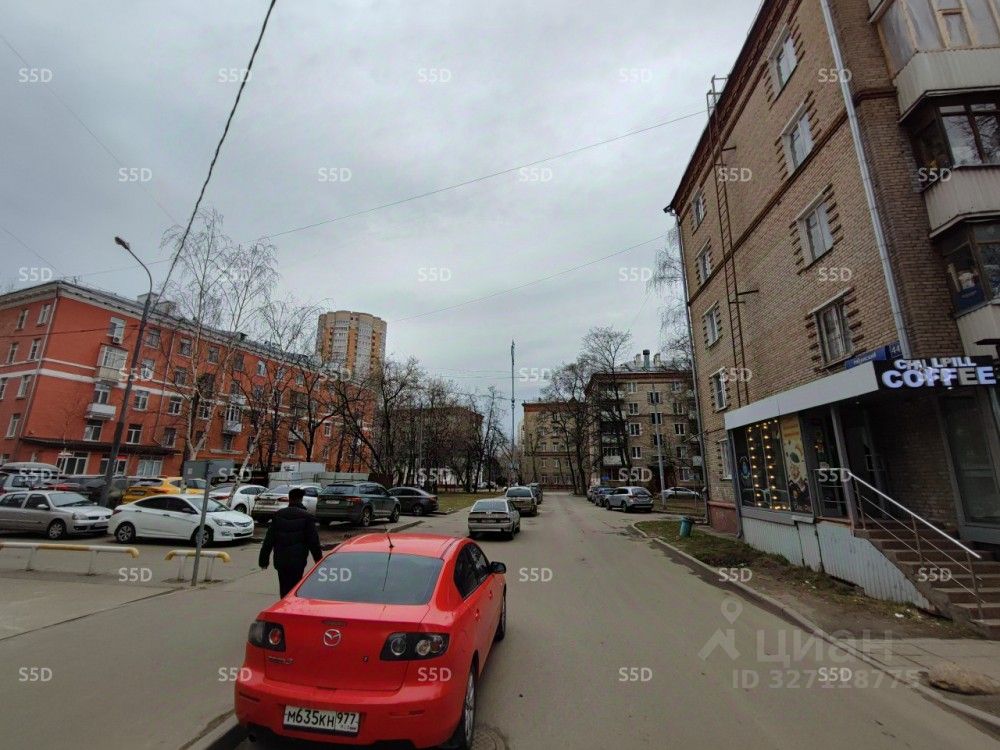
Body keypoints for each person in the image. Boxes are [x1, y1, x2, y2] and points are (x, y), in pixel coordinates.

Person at [258, 487, 323, 597]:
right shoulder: (307, 517)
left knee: (283, 587)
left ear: (289, 498)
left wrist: (263, 561)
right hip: (298, 560)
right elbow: (313, 542)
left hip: (281, 560)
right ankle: (292, 604)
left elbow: (268, 540)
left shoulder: (278, 515)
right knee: (296, 587)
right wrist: (318, 560)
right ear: (301, 499)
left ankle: (284, 604)